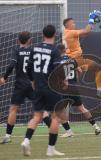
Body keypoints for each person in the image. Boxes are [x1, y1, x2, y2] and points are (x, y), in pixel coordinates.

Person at [21, 25, 64, 156]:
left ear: (42, 34)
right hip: (51, 88)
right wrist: (64, 81)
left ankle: (26, 141)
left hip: (38, 87)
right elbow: (58, 70)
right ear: (55, 35)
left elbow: (28, 68)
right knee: (56, 117)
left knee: (37, 116)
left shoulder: (34, 48)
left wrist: (33, 81)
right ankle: (50, 149)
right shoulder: (55, 50)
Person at [42, 44, 101, 138]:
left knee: (60, 111)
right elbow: (80, 71)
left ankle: (69, 131)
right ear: (65, 50)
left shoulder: (57, 61)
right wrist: (75, 80)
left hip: (64, 88)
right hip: (74, 87)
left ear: (57, 52)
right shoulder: (71, 59)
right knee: (82, 108)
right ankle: (96, 127)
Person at [0, 31, 35, 144]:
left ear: (18, 40)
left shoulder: (16, 51)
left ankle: (8, 136)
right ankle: (52, 130)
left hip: (20, 84)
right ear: (30, 40)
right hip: (31, 83)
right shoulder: (33, 51)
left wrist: (4, 78)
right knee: (40, 108)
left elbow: (11, 65)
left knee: (13, 109)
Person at [63, 11, 101, 98]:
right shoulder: (70, 32)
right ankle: (99, 91)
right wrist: (91, 20)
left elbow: (86, 32)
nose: (74, 24)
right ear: (68, 25)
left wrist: (92, 24)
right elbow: (86, 31)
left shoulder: (69, 32)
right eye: (73, 23)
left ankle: (69, 92)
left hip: (74, 60)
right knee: (97, 67)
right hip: (75, 60)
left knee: (76, 77)